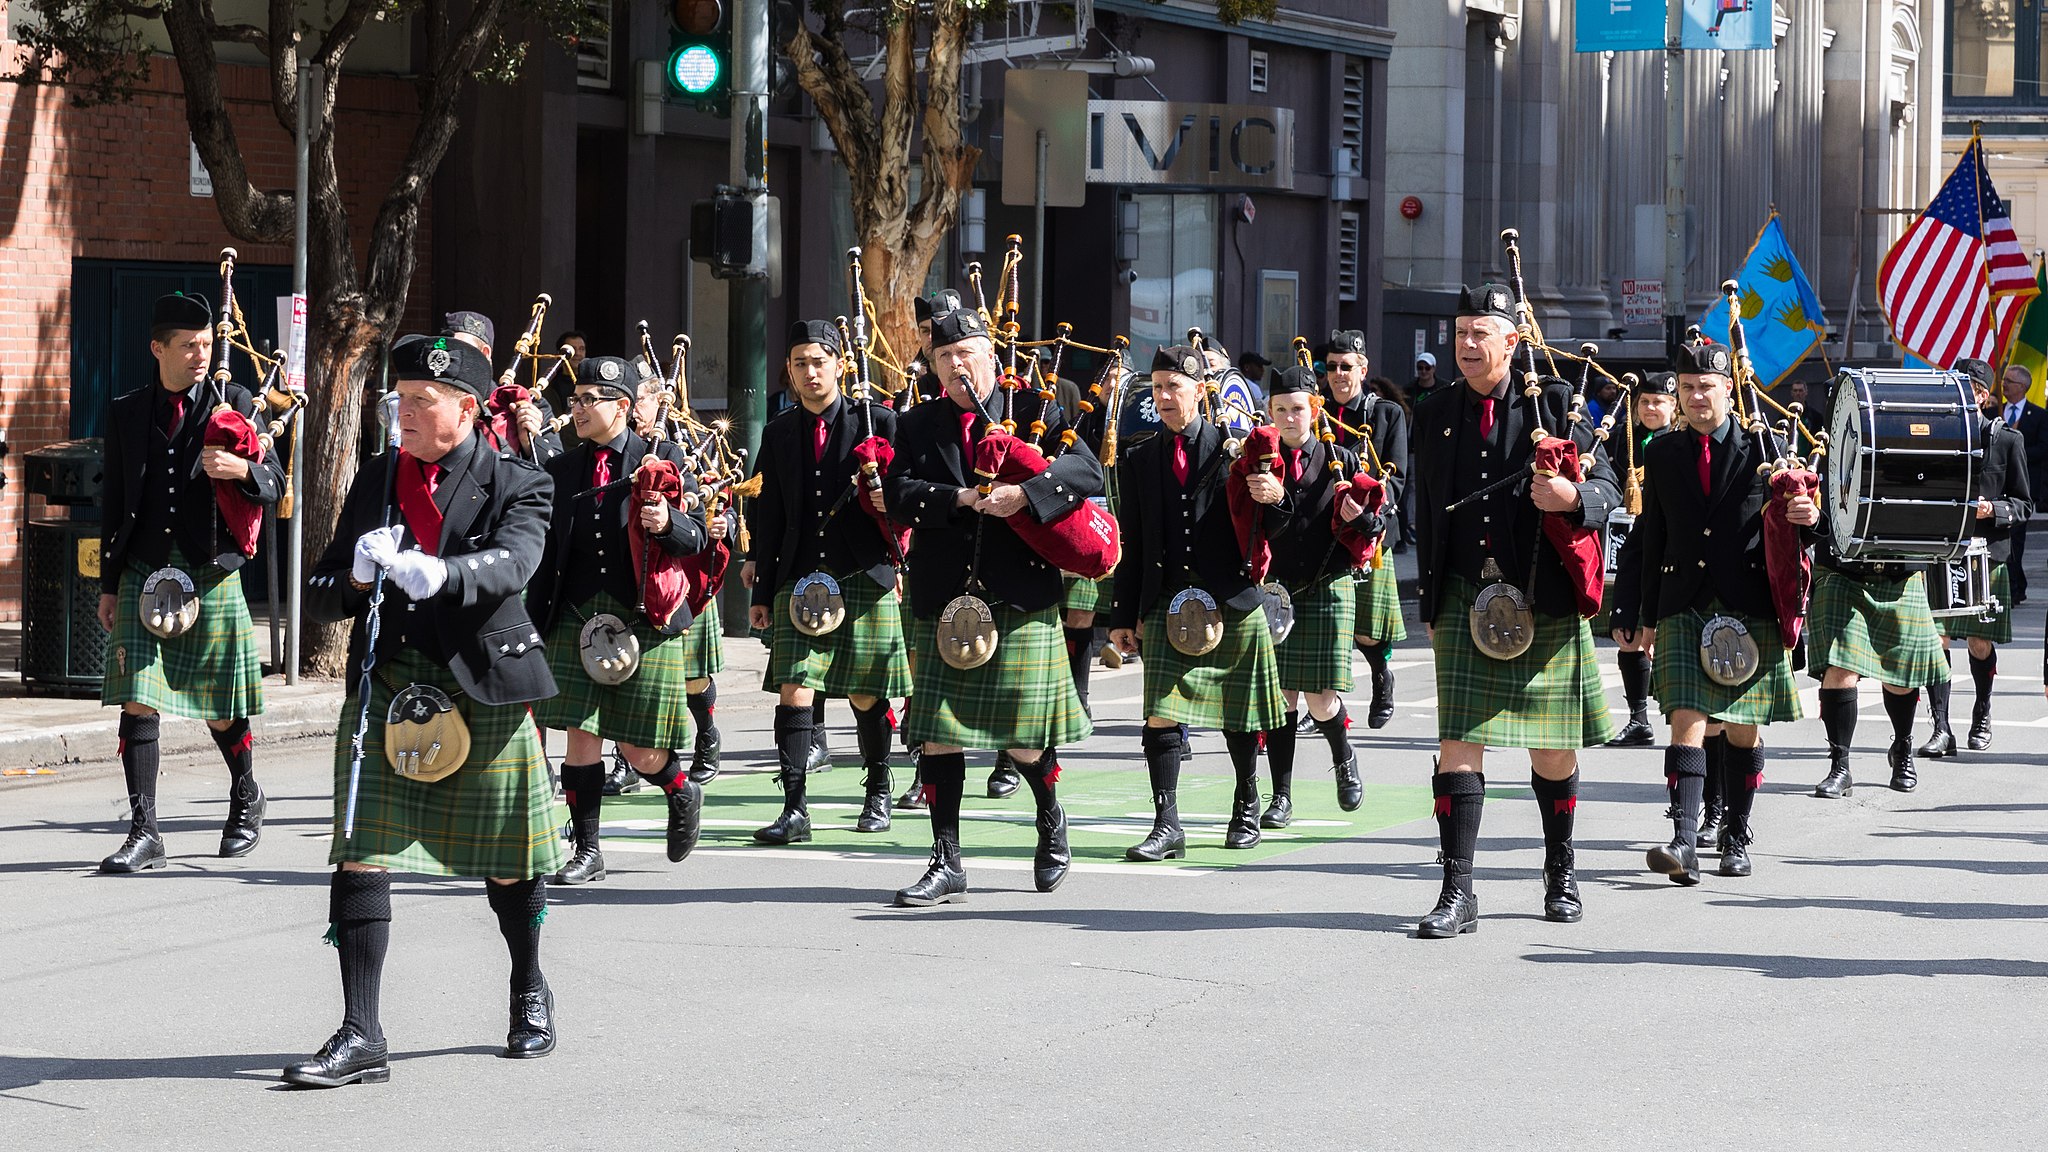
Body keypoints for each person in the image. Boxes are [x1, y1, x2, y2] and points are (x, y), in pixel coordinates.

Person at [290, 335, 564, 1086]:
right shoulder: (378, 476)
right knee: (358, 850)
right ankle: (361, 1031)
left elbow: (516, 563)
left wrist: (439, 573)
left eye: (421, 401)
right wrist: (351, 575)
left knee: (510, 864)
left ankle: (528, 986)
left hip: (480, 680)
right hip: (390, 684)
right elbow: (318, 598)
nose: (402, 412)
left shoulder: (518, 480)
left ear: (467, 409)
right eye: (399, 398)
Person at [1408, 283, 1620, 937]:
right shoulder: (1435, 409)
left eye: (1481, 333)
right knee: (1456, 748)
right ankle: (1456, 892)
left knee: (1551, 752)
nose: (1467, 345)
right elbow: (1426, 505)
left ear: (1512, 340)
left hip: (1543, 601)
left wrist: (1571, 498)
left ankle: (1561, 872)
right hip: (1465, 598)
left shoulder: (1554, 403)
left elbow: (1608, 485)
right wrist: (1433, 597)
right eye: (1461, 332)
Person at [883, 305, 1098, 902]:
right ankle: (946, 858)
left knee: (1024, 737)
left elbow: (1087, 472)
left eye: (966, 354)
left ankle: (1050, 816)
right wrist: (960, 499)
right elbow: (898, 496)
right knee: (938, 734)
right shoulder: (916, 424)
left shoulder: (1038, 409)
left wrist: (1024, 494)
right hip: (943, 597)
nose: (956, 366)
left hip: (1021, 593)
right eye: (944, 357)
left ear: (992, 358)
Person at [1609, 342, 1816, 885]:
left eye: (1707, 387)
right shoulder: (1661, 453)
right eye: (1688, 387)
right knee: (1686, 718)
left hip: (1748, 601)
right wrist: (1641, 609)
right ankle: (1683, 837)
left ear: (1728, 389)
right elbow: (1650, 535)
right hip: (1684, 600)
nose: (1697, 397)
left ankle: (1736, 835)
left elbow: (1798, 527)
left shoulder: (1763, 451)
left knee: (1743, 728)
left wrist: (1808, 516)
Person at [97, 287, 286, 872]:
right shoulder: (127, 412)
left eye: (206, 344)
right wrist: (108, 584)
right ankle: (145, 830)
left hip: (209, 572)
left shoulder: (236, 404)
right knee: (137, 700)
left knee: (219, 707)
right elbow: (115, 504)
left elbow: (276, 486)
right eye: (188, 346)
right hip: (143, 569)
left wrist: (243, 469)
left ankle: (247, 794)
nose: (200, 355)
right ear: (158, 348)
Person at [528, 356, 711, 885]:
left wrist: (667, 521)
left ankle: (681, 788)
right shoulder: (562, 467)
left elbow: (696, 536)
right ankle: (587, 849)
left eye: (590, 400)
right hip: (576, 615)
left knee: (638, 748)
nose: (578, 409)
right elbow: (544, 545)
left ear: (623, 408)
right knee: (579, 735)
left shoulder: (665, 456)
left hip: (644, 618)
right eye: (575, 399)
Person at [1108, 344, 1288, 860]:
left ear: (1199, 392)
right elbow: (1134, 540)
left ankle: (1246, 803)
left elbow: (1273, 525)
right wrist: (1124, 615)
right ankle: (1167, 824)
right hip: (1168, 603)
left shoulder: (1233, 451)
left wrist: (1274, 496)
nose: (1164, 397)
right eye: (1157, 387)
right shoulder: (1140, 457)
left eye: (1174, 387)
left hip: (1231, 599)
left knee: (1240, 714)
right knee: (1160, 715)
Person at [744, 320, 911, 844]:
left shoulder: (877, 422)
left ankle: (878, 788)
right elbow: (769, 514)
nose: (810, 372)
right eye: (800, 364)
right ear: (789, 372)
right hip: (798, 576)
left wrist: (892, 527)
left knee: (866, 694)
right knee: (794, 690)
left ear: (839, 364)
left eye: (819, 361)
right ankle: (794, 808)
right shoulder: (777, 432)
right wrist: (762, 591)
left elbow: (906, 505)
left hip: (862, 572)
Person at [1807, 389, 1953, 798]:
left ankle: (1902, 748)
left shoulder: (1916, 453)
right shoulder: (1827, 456)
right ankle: (1840, 765)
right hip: (1842, 571)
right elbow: (1810, 525)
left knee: (1902, 677)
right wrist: (1812, 515)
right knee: (1840, 668)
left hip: (1898, 573)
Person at [1258, 366, 1376, 827]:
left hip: (1328, 585)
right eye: (1281, 410)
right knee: (1282, 697)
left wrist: (1362, 520)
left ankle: (1344, 759)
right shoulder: (1260, 461)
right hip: (1278, 589)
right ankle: (1281, 797)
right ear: (1270, 412)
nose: (1290, 419)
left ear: (1315, 409)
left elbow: (1377, 527)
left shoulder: (1341, 459)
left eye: (1298, 409)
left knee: (1321, 699)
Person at [1919, 359, 2032, 757]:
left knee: (1979, 642)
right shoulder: (1936, 435)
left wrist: (1993, 510)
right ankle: (1941, 727)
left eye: (1967, 386)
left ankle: (1982, 710)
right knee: (1936, 639)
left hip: (1987, 554)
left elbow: (2024, 505)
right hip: (1943, 550)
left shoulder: (2007, 440)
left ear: (1983, 395)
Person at [631, 374, 729, 785]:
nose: (634, 408)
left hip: (680, 575)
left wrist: (716, 518)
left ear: (658, 403)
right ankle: (626, 763)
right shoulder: (611, 451)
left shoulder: (680, 447)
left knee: (692, 676)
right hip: (631, 576)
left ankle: (706, 734)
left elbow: (712, 497)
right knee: (626, 673)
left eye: (639, 399)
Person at [1321, 330, 1408, 728]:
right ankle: (1322, 699)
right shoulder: (1314, 410)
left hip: (1369, 532)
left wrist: (1373, 521)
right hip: (1322, 532)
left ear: (1363, 368)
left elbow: (1398, 479)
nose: (1339, 375)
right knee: (1326, 623)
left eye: (1346, 367)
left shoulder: (1386, 414)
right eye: (1332, 367)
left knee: (1367, 631)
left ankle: (1381, 677)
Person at [1602, 372, 1680, 749]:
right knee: (1627, 631)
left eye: (1658, 402)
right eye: (1644, 402)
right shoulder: (1618, 440)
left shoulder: (1680, 444)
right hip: (1627, 545)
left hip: (1667, 548)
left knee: (1668, 634)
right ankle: (1638, 718)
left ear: (1673, 406)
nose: (1650, 408)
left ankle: (1685, 716)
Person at [445, 310, 565, 465]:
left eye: (461, 350)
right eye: (448, 350)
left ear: (485, 353)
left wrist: (530, 443)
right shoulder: (438, 403)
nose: (452, 358)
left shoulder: (530, 406)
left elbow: (556, 472)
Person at [2000, 364, 2046, 604]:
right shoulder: (1994, 411)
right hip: (1998, 487)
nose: (2004, 385)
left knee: (2016, 538)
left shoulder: (2038, 415)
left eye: (2009, 381)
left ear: (2022, 387)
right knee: (2004, 538)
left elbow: (2043, 448)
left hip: (2022, 488)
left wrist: (2016, 451)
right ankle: (2015, 584)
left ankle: (2015, 587)